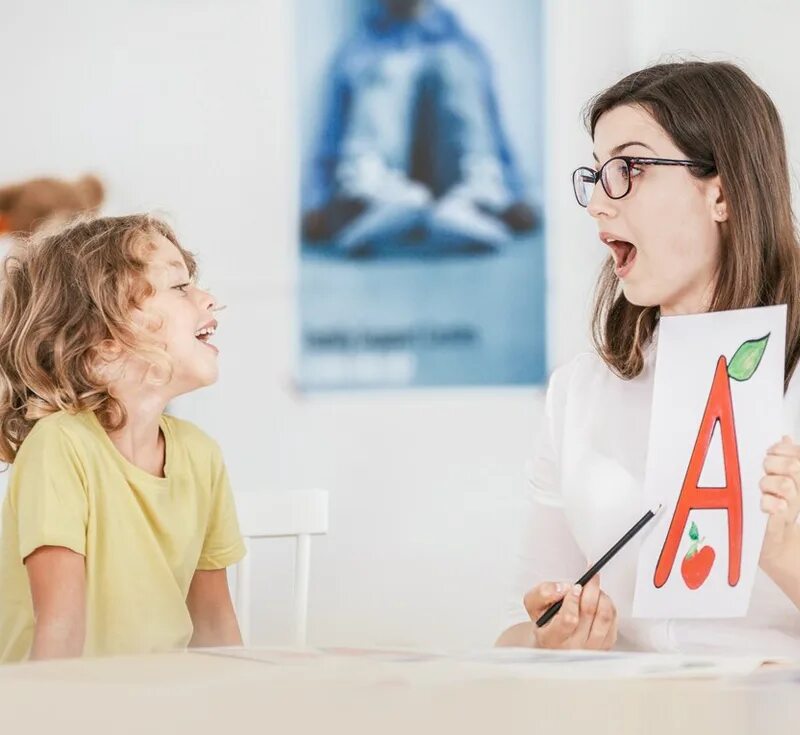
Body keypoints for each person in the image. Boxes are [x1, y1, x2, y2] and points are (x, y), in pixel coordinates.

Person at [497, 61, 800, 655]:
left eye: (630, 169)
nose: (598, 205)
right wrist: (551, 641)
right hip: (627, 731)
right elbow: (513, 631)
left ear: (723, 192)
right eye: (598, 174)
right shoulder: (579, 392)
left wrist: (788, 556)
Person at [0, 214, 245, 661]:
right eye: (179, 287)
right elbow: (61, 630)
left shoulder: (200, 455)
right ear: (103, 339)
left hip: (150, 708)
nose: (209, 300)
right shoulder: (60, 447)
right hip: (58, 709)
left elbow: (215, 626)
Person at [302, 0, 537, 255]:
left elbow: (492, 128)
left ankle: (476, 200)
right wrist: (317, 202)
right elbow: (332, 134)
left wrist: (516, 193)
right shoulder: (359, 49)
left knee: (454, 63)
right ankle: (366, 202)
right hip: (388, 186)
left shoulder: (463, 46)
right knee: (388, 66)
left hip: (449, 183)